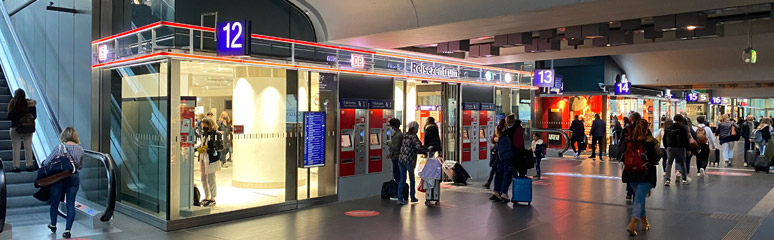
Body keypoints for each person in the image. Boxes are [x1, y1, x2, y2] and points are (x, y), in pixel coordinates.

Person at [619, 114, 659, 236]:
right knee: (639, 199)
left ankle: (644, 221)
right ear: (647, 128)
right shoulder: (651, 142)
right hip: (646, 173)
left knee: (639, 197)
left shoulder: (629, 140)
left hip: (630, 173)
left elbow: (620, 153)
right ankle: (633, 223)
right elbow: (659, 156)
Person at [45, 127, 84, 239]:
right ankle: (67, 230)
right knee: (70, 203)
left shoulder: (59, 148)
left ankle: (53, 224)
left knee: (55, 201)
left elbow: (47, 162)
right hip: (74, 177)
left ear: (64, 136)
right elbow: (80, 167)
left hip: (59, 178)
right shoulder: (80, 149)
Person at [492, 114, 525, 202]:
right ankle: (504, 193)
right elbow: (518, 144)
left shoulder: (503, 132)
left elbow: (494, 140)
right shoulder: (515, 130)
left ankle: (497, 192)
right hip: (509, 155)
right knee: (508, 174)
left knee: (499, 173)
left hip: (500, 156)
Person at [397, 121, 427, 205]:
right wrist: (427, 149)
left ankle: (400, 197)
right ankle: (412, 197)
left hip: (401, 159)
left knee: (402, 178)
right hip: (409, 160)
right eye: (417, 128)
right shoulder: (413, 136)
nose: (417, 130)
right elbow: (418, 147)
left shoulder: (405, 135)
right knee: (412, 178)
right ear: (414, 128)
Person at [7, 89, 37, 172]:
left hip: (15, 128)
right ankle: (29, 166)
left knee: (16, 147)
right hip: (28, 128)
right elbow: (34, 116)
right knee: (28, 146)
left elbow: (9, 116)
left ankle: (16, 167)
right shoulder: (31, 104)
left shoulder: (14, 103)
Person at [197, 118, 223, 207]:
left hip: (211, 159)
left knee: (211, 179)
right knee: (203, 178)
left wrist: (208, 150)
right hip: (203, 158)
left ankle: (213, 197)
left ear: (209, 125)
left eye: (205, 126)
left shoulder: (216, 134)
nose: (203, 127)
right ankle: (207, 196)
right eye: (202, 126)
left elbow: (219, 147)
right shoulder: (205, 134)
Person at [664, 114, 692, 186]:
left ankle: (667, 179)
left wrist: (666, 146)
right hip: (680, 147)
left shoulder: (669, 127)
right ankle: (684, 179)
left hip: (670, 147)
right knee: (682, 163)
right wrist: (688, 149)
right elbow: (686, 139)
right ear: (681, 120)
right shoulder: (683, 128)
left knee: (669, 163)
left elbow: (664, 138)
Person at [483, 119, 506, 189]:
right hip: (499, 153)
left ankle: (490, 183)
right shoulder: (501, 132)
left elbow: (494, 140)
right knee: (495, 168)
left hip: (498, 153)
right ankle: (492, 183)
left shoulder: (498, 131)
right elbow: (494, 140)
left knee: (495, 168)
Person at [388, 119, 404, 183]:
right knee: (397, 173)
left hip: (396, 156)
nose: (392, 128)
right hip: (395, 156)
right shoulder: (398, 134)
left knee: (396, 174)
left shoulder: (398, 135)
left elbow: (396, 147)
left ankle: (398, 190)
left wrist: (389, 144)